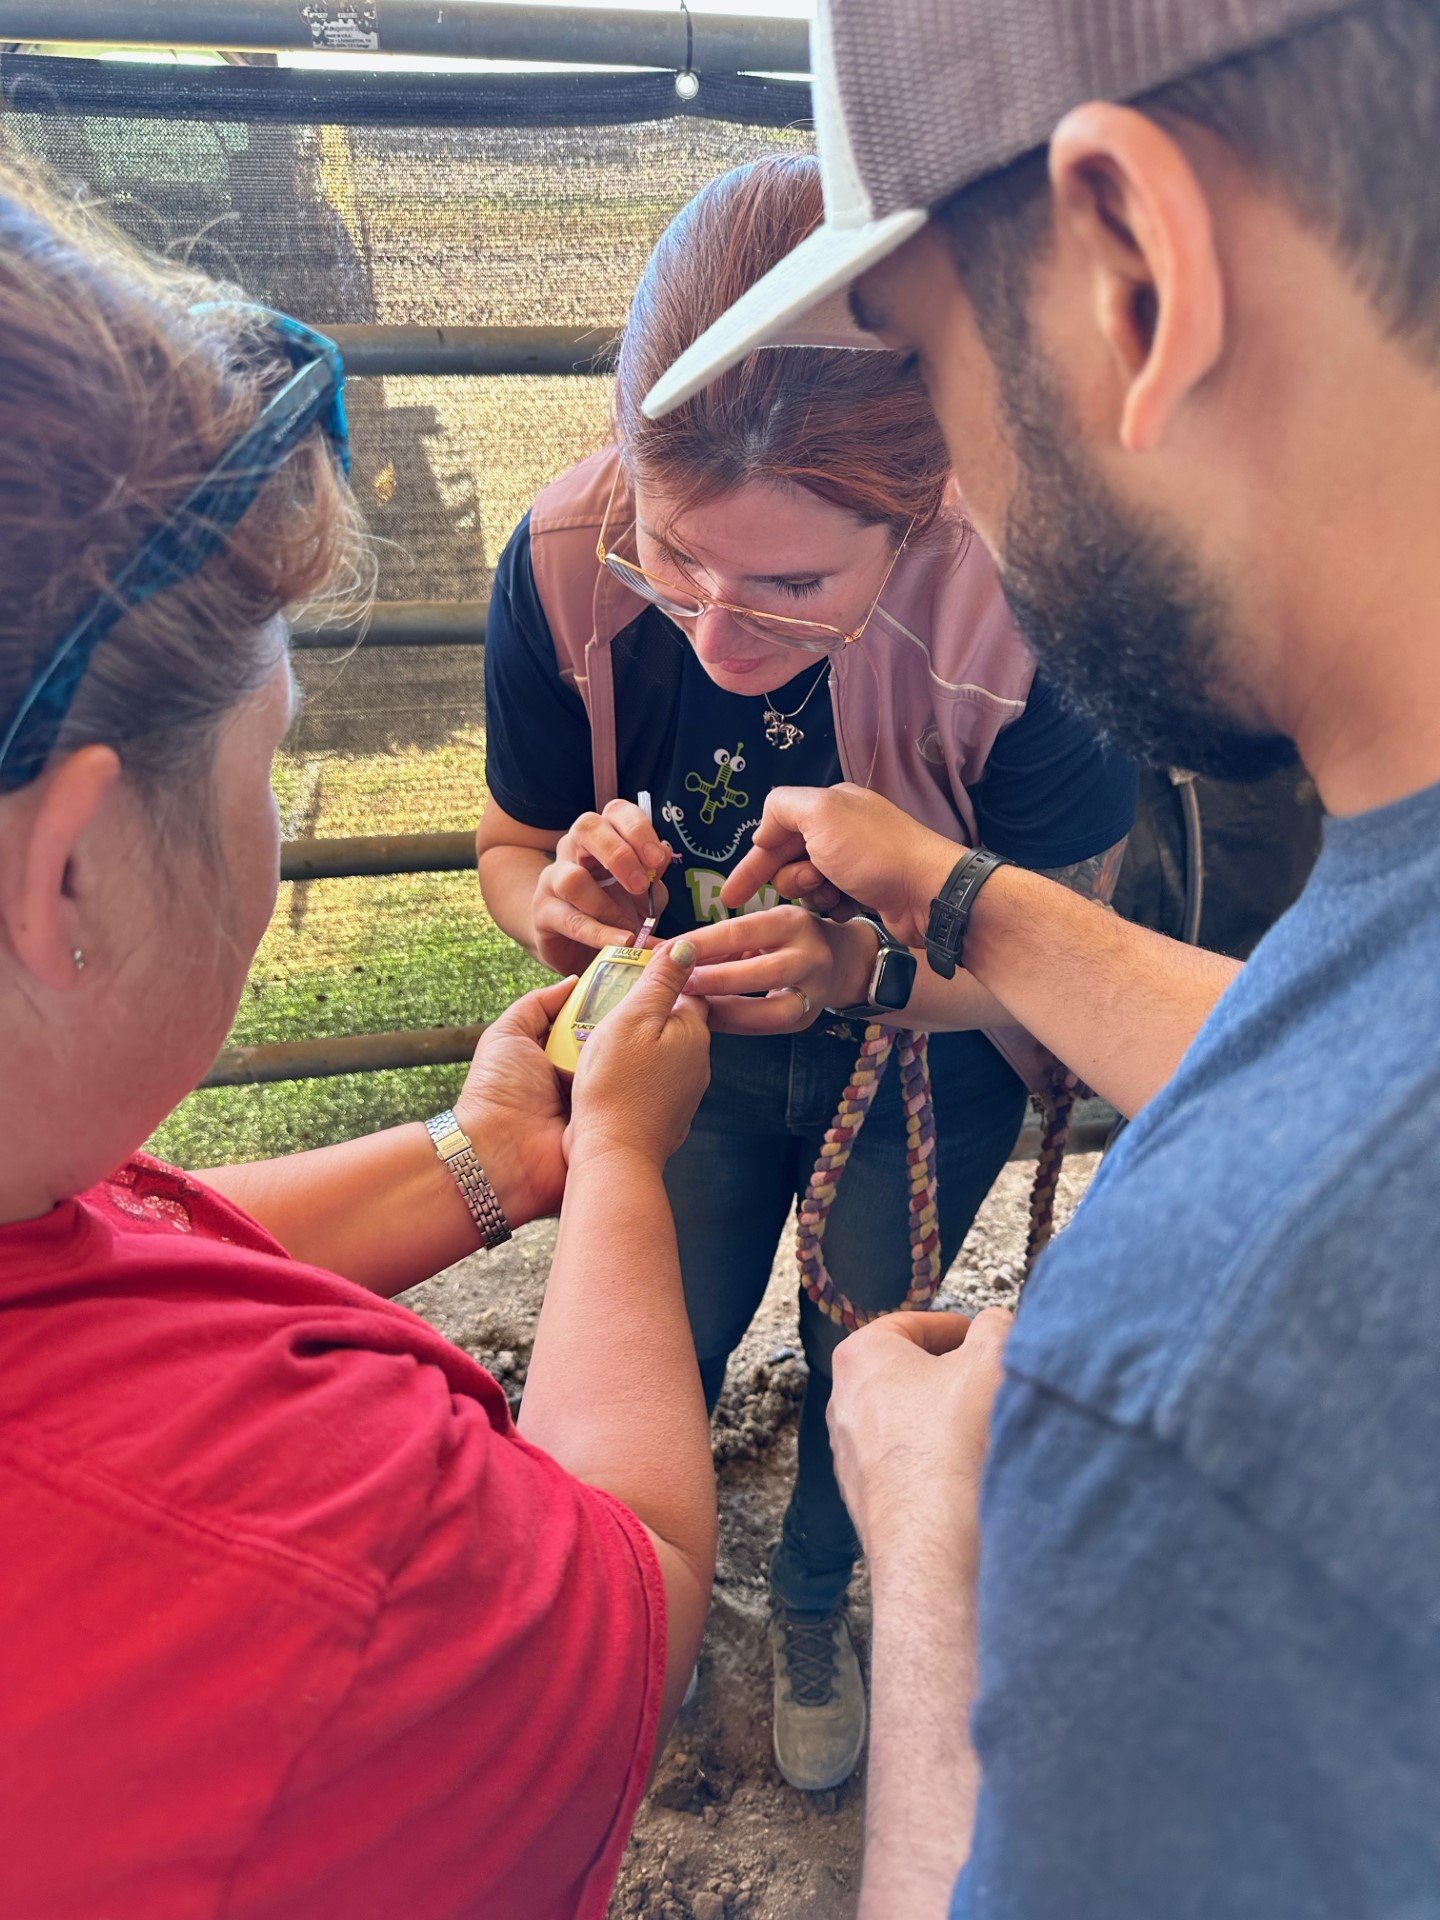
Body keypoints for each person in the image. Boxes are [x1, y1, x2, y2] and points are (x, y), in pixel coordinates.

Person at [648, 0, 1440, 1912]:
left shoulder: (1191, 1371)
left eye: (926, 359)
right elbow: (1317, 1051)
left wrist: (939, 1552)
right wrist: (955, 889)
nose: (965, 509)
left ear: (1135, 270)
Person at [0, 160, 718, 1920]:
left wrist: (492, 1162)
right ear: (68, 864)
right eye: (264, 766)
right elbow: (635, 1579)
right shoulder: (339, 1566)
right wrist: (617, 1162)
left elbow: (115, 1251)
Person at [476, 155, 1135, 1792]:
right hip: (674, 1048)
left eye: (793, 588)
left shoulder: (1039, 600)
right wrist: (562, 911)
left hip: (930, 1061)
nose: (714, 636)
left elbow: (1068, 957)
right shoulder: (567, 551)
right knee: (660, 1328)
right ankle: (643, 1610)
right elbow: (508, 846)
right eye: (678, 556)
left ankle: (821, 1600)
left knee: (869, 1343)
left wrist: (869, 973)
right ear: (629, 464)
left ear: (926, 507)